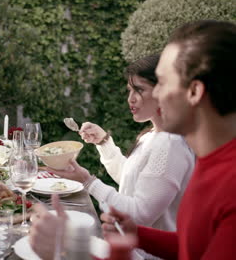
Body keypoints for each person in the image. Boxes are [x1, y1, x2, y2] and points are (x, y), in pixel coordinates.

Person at [32, 54, 195, 259]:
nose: (131, 99)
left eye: (139, 90)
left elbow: (139, 215)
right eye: (130, 90)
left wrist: (88, 182)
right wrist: (104, 143)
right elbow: (132, 180)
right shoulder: (153, 136)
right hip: (128, 248)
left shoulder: (171, 144)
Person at [101, 20, 236, 259]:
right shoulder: (209, 160)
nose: (156, 94)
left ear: (194, 92)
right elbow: (196, 246)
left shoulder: (230, 185)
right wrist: (137, 233)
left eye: (162, 83)